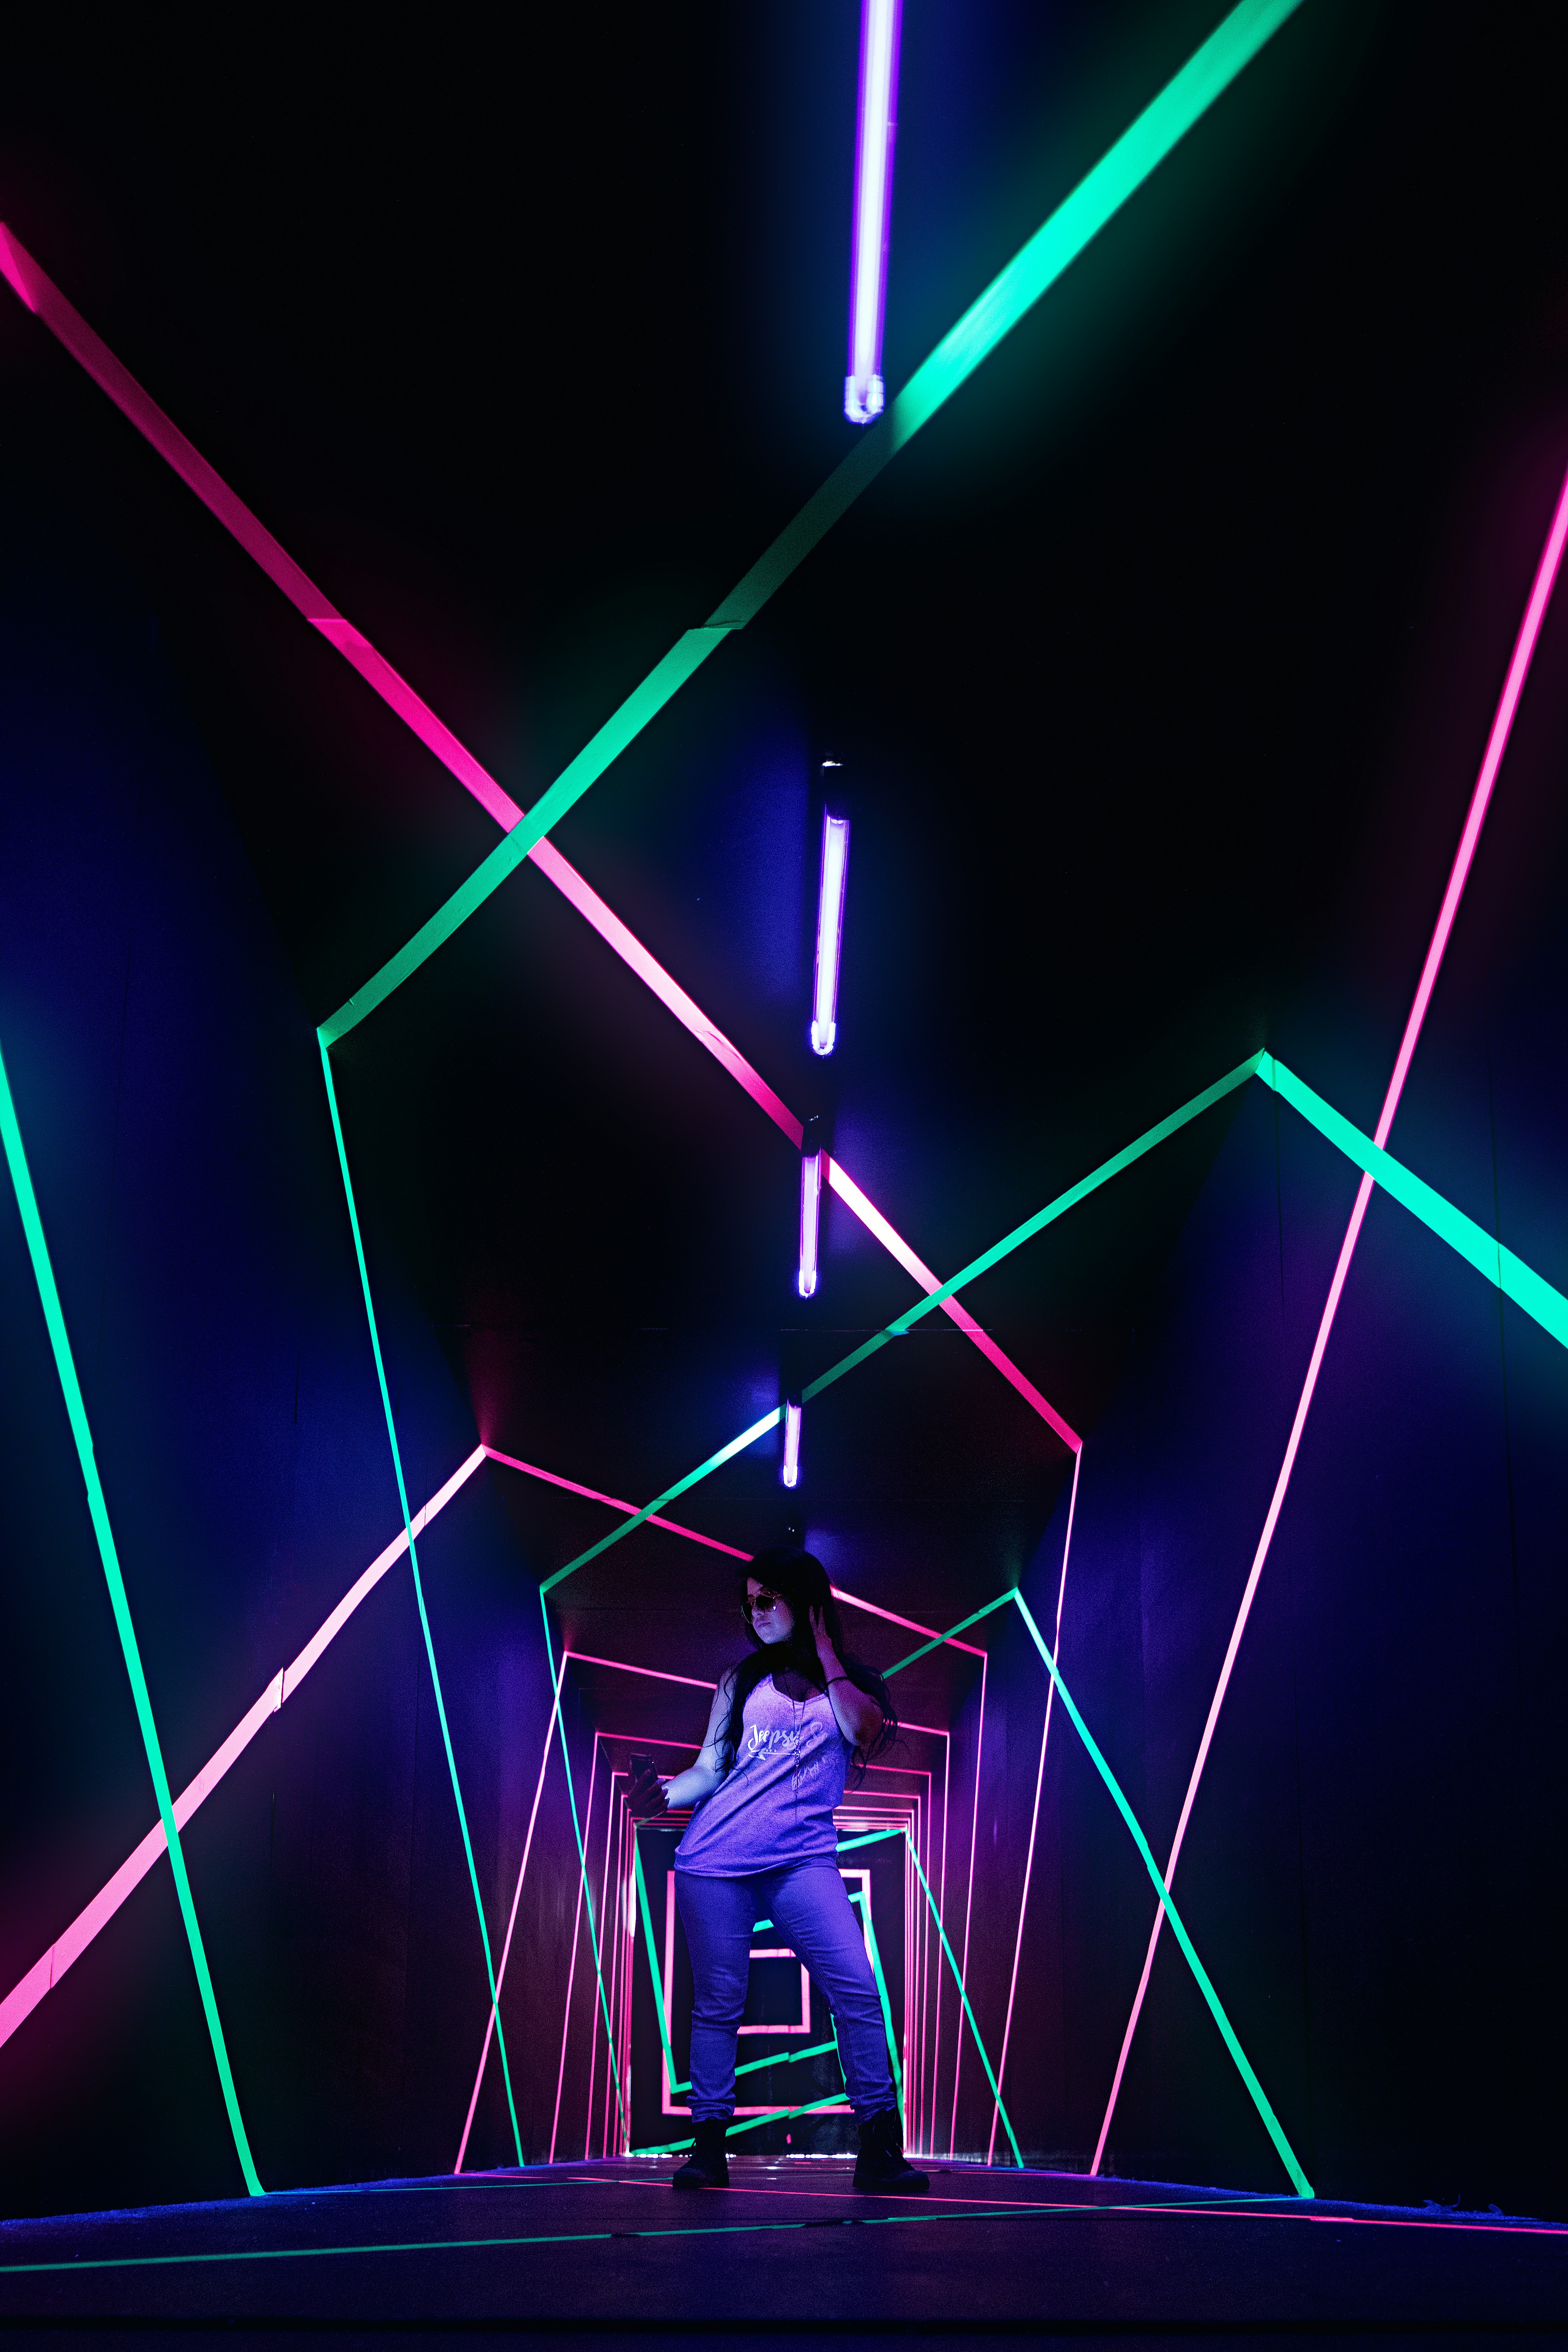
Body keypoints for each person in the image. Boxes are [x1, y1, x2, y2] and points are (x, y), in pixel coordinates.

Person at [629, 1545, 928, 2196]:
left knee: (855, 1990)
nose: (755, 1611)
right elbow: (710, 1770)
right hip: (716, 1860)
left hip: (803, 1861)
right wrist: (665, 1797)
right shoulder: (739, 1682)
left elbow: (862, 1730)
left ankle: (879, 2149)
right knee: (718, 2005)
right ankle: (709, 2150)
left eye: (770, 1598)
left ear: (808, 1602)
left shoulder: (851, 1685)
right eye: (750, 1601)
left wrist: (826, 1653)